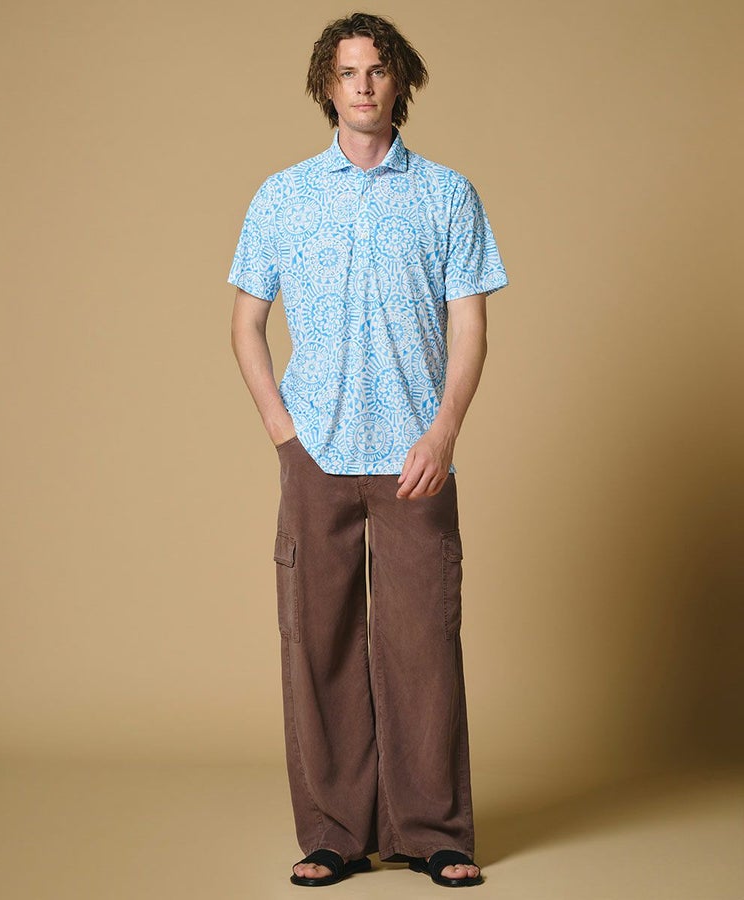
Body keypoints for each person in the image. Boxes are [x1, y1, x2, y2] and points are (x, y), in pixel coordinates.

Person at [228, 11, 508, 888]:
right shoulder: (282, 197)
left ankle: (434, 833)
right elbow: (245, 323)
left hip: (416, 459)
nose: (363, 85)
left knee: (424, 648)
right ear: (327, 84)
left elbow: (471, 327)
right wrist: (284, 433)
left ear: (400, 82)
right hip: (317, 451)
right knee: (319, 646)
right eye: (348, 71)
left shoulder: (448, 195)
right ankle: (334, 834)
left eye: (378, 70)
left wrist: (445, 430)